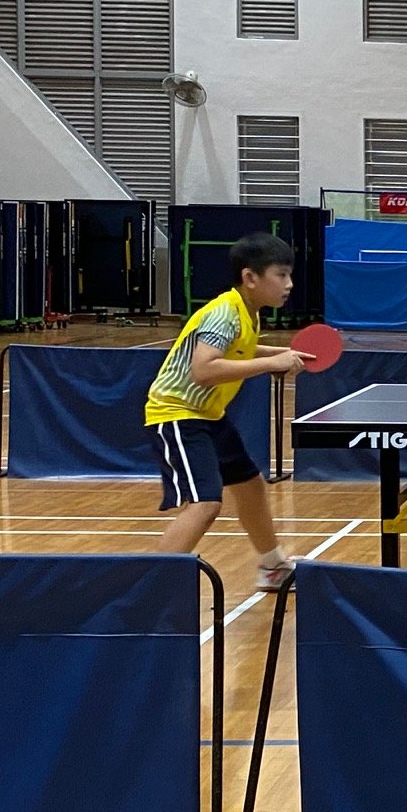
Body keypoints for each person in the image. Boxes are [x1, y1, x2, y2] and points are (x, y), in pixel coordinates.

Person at [146, 232, 309, 590]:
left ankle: (272, 567)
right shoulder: (224, 314)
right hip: (177, 414)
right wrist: (271, 364)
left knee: (250, 486)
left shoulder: (247, 312)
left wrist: (276, 356)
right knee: (205, 504)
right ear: (251, 278)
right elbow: (203, 370)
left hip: (207, 415)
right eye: (281, 275)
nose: (289, 284)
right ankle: (150, 589)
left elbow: (241, 348)